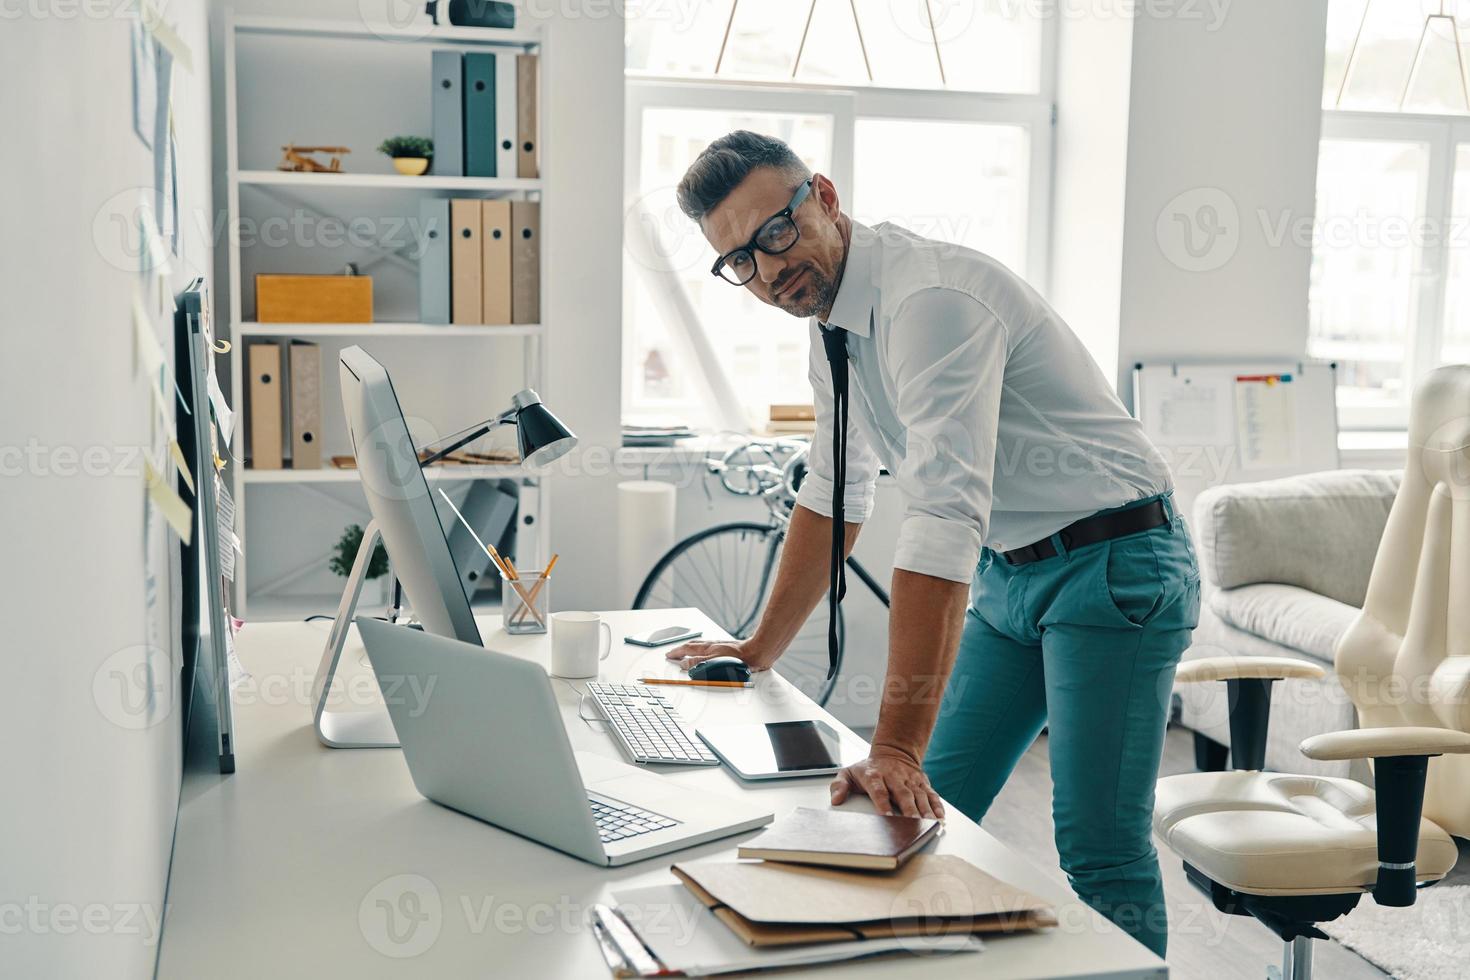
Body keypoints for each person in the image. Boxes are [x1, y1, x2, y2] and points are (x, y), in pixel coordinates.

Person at [664, 131, 1200, 956]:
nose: (767, 271)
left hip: (1115, 562)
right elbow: (834, 488)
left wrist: (893, 745)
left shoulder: (931, 300)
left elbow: (945, 516)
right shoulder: (831, 321)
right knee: (914, 808)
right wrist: (757, 646)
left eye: (774, 233)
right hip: (1011, 576)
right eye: (739, 260)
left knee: (1096, 842)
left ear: (826, 200)